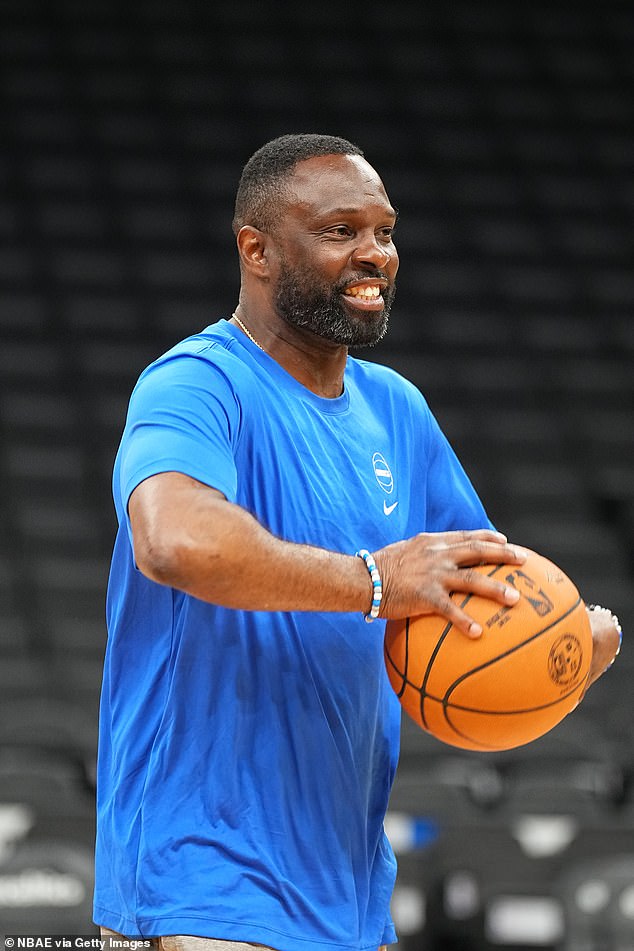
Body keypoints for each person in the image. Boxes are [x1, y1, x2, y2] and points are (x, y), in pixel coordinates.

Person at [94, 133, 621, 948]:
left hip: (350, 895)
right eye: (341, 231)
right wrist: (375, 581)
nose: (376, 253)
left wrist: (568, 644)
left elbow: (483, 601)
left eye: (385, 231)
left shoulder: (397, 409)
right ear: (257, 249)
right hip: (201, 888)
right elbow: (173, 539)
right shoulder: (197, 382)